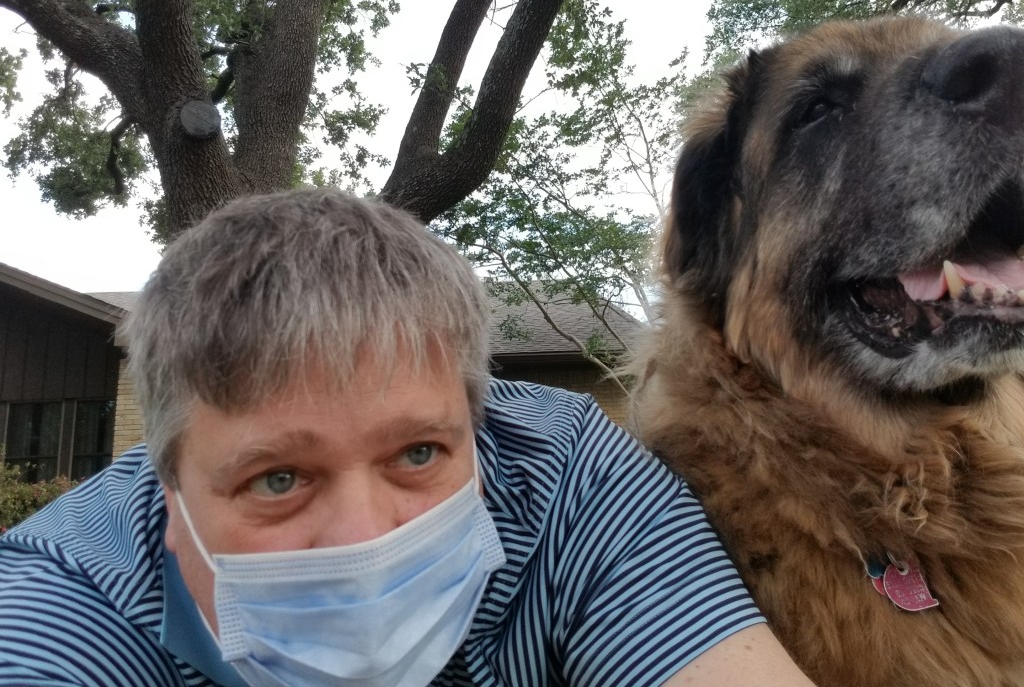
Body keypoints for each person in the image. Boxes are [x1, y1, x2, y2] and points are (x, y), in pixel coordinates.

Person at [0, 188, 816, 687]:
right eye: (278, 479)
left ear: (477, 426)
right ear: (165, 488)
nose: (364, 542)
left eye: (418, 455)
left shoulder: (566, 474)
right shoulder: (65, 605)